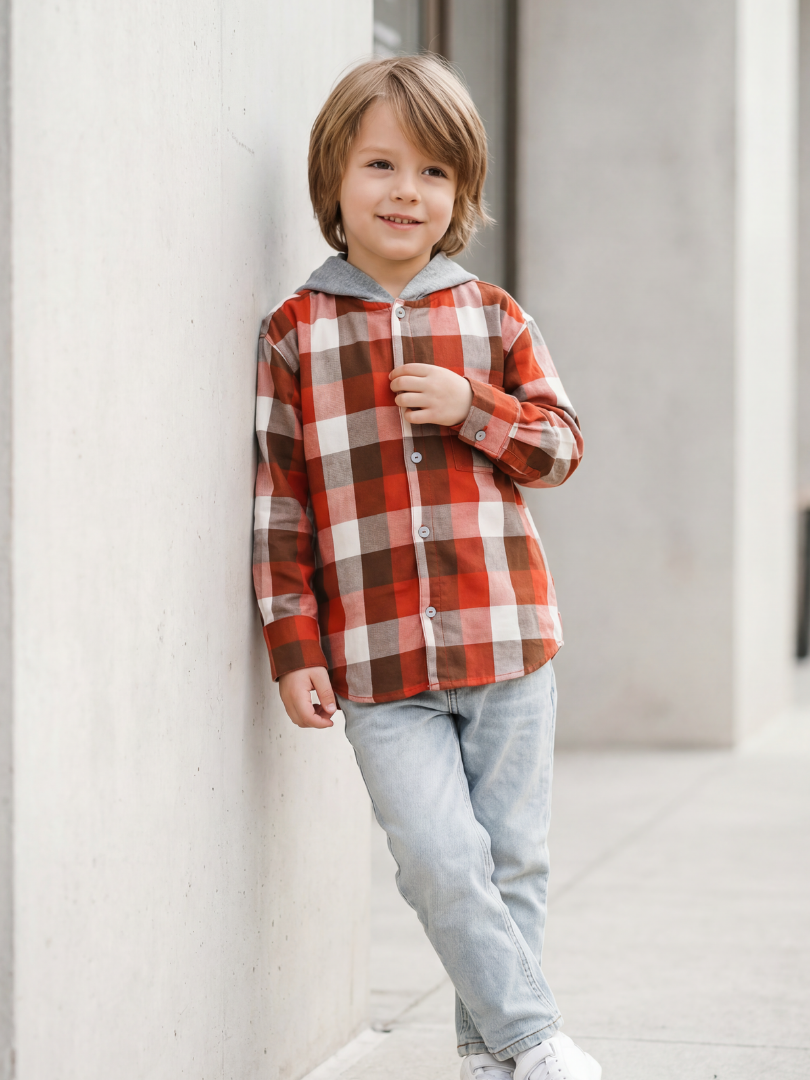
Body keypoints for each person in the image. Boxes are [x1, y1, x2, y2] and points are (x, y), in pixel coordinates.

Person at [252, 54, 599, 1080]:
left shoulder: (492, 318)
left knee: (513, 865)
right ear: (334, 182)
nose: (407, 191)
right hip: (376, 660)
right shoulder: (295, 334)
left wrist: (473, 409)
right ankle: (536, 1039)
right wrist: (291, 648)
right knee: (440, 861)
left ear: (462, 195)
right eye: (381, 164)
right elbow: (281, 509)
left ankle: (495, 1064)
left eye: (435, 172)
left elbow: (564, 447)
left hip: (508, 639)